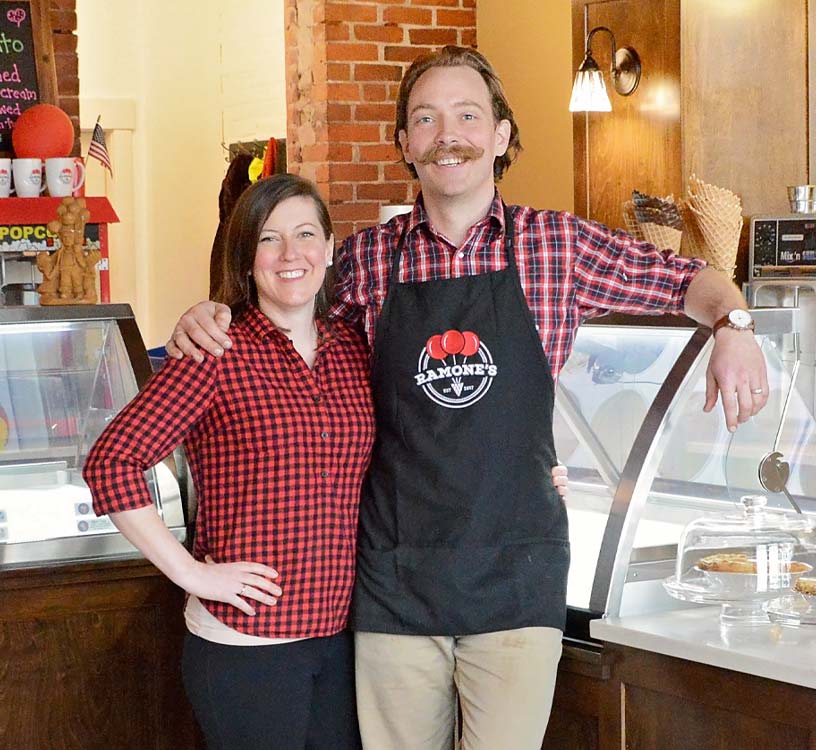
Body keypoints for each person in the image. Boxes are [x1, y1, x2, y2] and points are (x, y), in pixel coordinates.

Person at [164, 45, 768, 750]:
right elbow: (276, 305)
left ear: (502, 135)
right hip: (394, 578)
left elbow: (683, 279)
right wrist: (209, 315)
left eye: (467, 115)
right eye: (425, 118)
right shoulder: (361, 260)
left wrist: (735, 324)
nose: (447, 133)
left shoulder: (557, 246)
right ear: (405, 145)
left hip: (516, 574)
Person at [84, 174, 372, 750]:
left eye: (306, 234)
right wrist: (191, 573)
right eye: (269, 239)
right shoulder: (217, 350)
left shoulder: (356, 348)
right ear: (246, 258)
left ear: (330, 247)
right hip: (245, 643)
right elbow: (111, 462)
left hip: (343, 635)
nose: (291, 255)